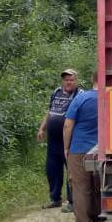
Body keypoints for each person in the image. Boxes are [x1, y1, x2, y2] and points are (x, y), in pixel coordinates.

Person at [37, 69, 80, 211]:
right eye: (66, 79)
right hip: (53, 139)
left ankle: (72, 201)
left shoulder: (79, 94)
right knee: (52, 169)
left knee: (71, 170)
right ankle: (55, 198)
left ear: (76, 81)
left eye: (71, 79)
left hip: (69, 138)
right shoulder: (56, 92)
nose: (68, 82)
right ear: (63, 81)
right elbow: (50, 111)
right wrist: (42, 128)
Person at [64, 84, 101, 222]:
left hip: (80, 149)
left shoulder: (82, 97)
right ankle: (96, 219)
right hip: (101, 149)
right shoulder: (110, 97)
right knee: (96, 186)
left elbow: (67, 125)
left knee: (80, 187)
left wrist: (66, 148)